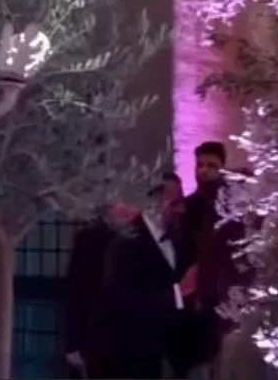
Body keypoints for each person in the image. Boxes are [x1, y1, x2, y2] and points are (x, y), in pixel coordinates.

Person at [92, 173, 196, 379]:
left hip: (167, 358)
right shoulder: (124, 243)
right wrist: (178, 293)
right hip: (129, 360)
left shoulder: (180, 240)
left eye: (182, 202)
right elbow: (124, 303)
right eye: (174, 203)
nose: (182, 210)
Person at [173, 142, 245, 379]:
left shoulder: (231, 209)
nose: (204, 171)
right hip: (192, 300)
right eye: (200, 165)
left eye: (211, 166)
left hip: (220, 295)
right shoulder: (188, 207)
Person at [63, 201, 138, 376]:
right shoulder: (89, 239)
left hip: (134, 337)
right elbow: (77, 291)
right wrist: (73, 343)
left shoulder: (141, 237)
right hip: (99, 337)